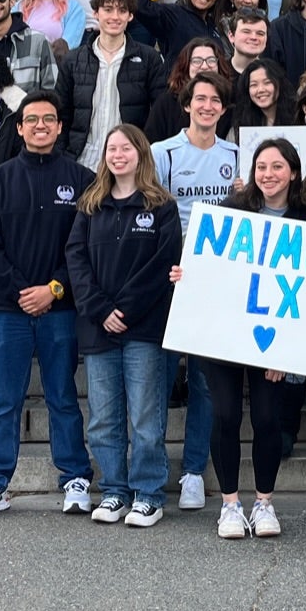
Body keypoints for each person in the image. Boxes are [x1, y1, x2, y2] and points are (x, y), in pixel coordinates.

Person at [0, 90, 97, 517]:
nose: (40, 126)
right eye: (32, 120)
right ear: (19, 127)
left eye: (49, 119)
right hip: (8, 311)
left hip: (61, 311)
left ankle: (76, 477)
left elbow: (85, 248)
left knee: (62, 396)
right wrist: (23, 293)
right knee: (6, 399)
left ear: (61, 127)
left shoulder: (82, 180)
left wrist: (54, 290)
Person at [69, 123, 182, 529]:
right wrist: (100, 309)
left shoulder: (162, 207)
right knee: (102, 416)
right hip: (98, 328)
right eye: (111, 148)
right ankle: (115, 490)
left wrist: (127, 310)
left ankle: (148, 493)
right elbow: (76, 262)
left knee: (146, 417)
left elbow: (162, 267)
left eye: (126, 148)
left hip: (144, 329)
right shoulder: (89, 206)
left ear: (141, 154)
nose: (118, 155)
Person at [196, 137, 306, 538]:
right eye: (262, 167)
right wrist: (187, 276)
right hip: (223, 336)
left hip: (276, 343)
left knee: (266, 419)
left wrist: (287, 351)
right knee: (225, 414)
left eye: (277, 166)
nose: (269, 174)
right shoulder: (230, 212)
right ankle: (229, 505)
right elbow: (206, 272)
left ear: (293, 171)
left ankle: (264, 503)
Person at [152, 74, 235, 505]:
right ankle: (152, 467)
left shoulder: (237, 156)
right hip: (172, 277)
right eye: (199, 99)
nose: (206, 106)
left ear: (223, 108)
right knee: (161, 375)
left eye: (215, 100)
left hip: (218, 283)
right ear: (187, 105)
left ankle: (193, 472)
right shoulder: (162, 153)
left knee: (205, 381)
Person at [54, 0, 169, 169]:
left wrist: (144, 153)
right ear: (96, 13)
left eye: (122, 11)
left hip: (130, 161)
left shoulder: (149, 59)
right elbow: (62, 114)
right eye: (108, 9)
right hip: (83, 161)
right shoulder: (73, 60)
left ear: (130, 16)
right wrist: (62, 157)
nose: (115, 17)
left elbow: (159, 113)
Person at [145, 37, 231, 142]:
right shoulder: (166, 103)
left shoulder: (228, 100)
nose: (204, 66)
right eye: (197, 61)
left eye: (211, 60)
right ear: (186, 65)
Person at [228, 57, 296, 135]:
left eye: (267, 82)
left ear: (280, 84)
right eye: (254, 85)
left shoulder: (298, 120)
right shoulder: (240, 126)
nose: (260, 90)